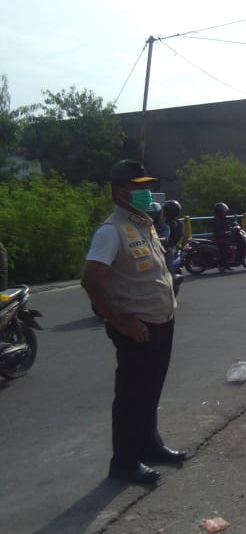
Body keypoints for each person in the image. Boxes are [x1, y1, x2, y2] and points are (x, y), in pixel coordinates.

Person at [81, 159, 186, 485]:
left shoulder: (144, 224)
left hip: (161, 320)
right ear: (120, 190)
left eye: (146, 185)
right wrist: (122, 323)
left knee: (151, 389)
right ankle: (124, 462)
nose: (145, 191)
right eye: (138, 186)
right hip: (136, 326)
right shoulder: (110, 231)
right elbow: (91, 280)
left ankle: (149, 445)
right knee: (131, 395)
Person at [162, 200, 184, 269]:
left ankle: (171, 274)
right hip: (161, 245)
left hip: (171, 247)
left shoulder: (177, 223)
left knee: (169, 256)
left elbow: (177, 238)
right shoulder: (161, 222)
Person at [212, 201, 232, 271]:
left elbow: (227, 225)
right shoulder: (216, 220)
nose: (225, 212)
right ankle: (222, 265)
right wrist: (225, 233)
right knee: (225, 248)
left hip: (223, 237)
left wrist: (232, 227)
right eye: (224, 211)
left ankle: (227, 264)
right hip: (219, 238)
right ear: (219, 211)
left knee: (231, 246)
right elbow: (218, 231)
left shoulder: (223, 218)